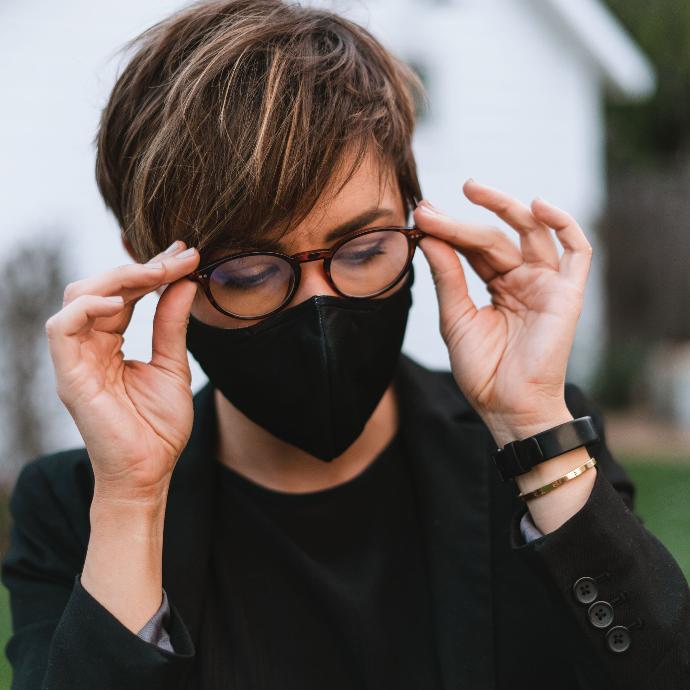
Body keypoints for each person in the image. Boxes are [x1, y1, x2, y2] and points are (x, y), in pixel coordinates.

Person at [1, 1, 688, 688]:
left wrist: (531, 425)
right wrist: (133, 501)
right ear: (153, 264)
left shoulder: (532, 445)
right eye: (247, 271)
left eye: (363, 250)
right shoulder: (76, 508)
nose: (318, 308)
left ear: (419, 222)